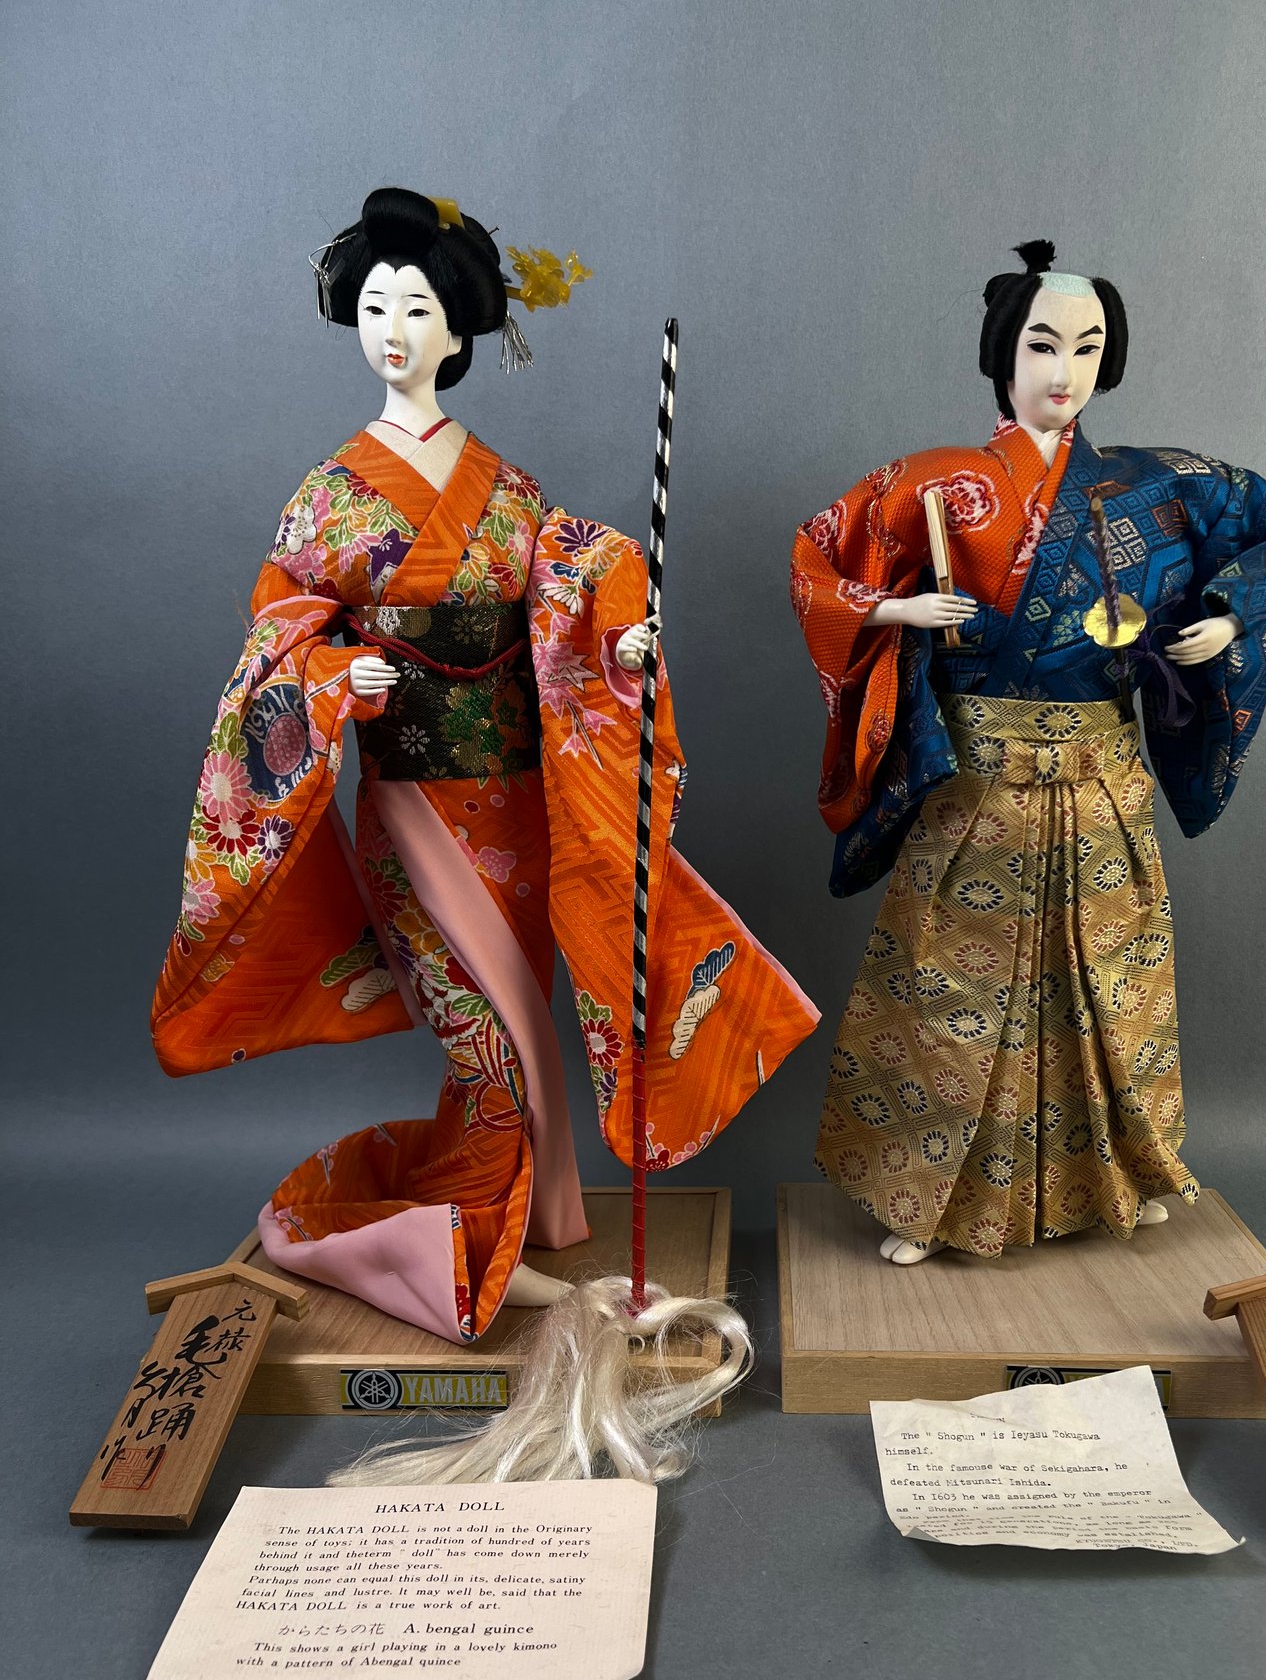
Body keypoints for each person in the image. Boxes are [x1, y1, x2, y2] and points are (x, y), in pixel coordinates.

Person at [154, 187, 816, 1342]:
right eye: (375, 307)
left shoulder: (509, 493)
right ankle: (467, 1241)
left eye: (417, 308)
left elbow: (568, 602)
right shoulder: (328, 495)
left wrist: (620, 645)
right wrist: (336, 675)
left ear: (459, 327)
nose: (394, 329)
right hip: (411, 802)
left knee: (525, 1019)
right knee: (488, 1036)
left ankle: (509, 1218)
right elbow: (278, 636)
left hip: (517, 808)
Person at [790, 239, 1266, 1265]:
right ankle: (927, 1200)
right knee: (953, 993)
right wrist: (891, 609)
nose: (1063, 370)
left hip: (1102, 776)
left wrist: (1228, 617)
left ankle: (1123, 1174)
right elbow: (816, 561)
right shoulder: (936, 482)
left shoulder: (1157, 486)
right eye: (1041, 344)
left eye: (1087, 347)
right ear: (1003, 352)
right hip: (976, 783)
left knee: (1108, 988)